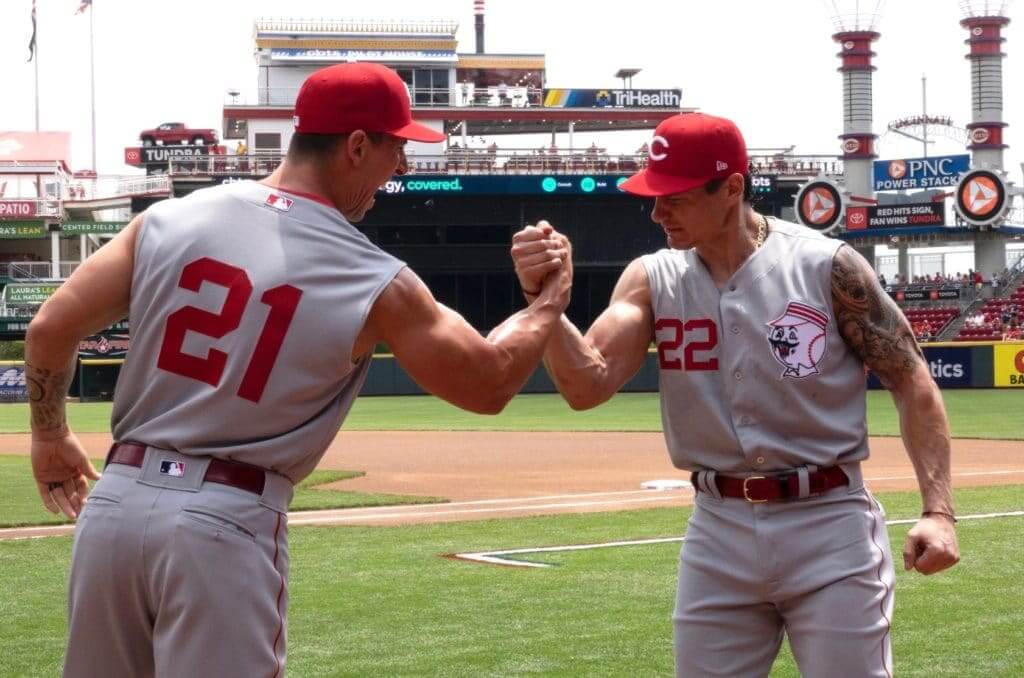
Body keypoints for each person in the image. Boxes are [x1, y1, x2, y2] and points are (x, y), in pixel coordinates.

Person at [27, 62, 571, 678]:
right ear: (357, 146)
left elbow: (50, 328)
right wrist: (549, 299)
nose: (401, 170)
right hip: (221, 521)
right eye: (398, 151)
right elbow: (490, 381)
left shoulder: (170, 218)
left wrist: (49, 437)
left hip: (114, 511)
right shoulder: (371, 275)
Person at [511, 112, 959, 677]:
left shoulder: (826, 266)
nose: (656, 212)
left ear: (731, 188)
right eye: (653, 195)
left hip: (827, 523)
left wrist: (938, 511)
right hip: (717, 529)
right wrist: (545, 304)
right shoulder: (654, 278)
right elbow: (586, 384)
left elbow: (910, 376)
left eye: (673, 196)